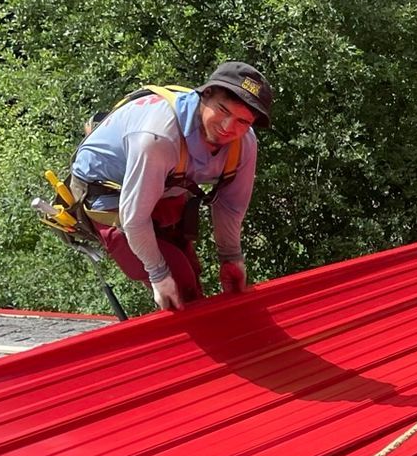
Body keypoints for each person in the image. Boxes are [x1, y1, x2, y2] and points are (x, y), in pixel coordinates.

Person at [67, 63, 273, 312]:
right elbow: (135, 219)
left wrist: (231, 258)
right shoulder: (159, 136)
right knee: (177, 281)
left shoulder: (244, 143)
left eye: (242, 121)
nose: (229, 127)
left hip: (164, 184)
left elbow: (230, 206)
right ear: (205, 95)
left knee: (190, 274)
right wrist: (158, 275)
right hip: (110, 195)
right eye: (222, 110)